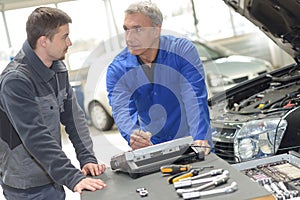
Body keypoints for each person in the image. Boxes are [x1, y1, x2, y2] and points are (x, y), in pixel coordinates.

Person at [0, 7, 106, 200]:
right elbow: (35, 136)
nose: (70, 42)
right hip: (27, 187)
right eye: (64, 37)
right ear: (43, 41)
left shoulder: (58, 69)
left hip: (52, 177)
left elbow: (74, 119)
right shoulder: (15, 81)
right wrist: (73, 177)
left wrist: (87, 158)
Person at [106, 1, 212, 155]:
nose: (129, 38)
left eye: (137, 29)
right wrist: (134, 136)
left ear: (156, 30)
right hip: (153, 146)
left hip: (193, 138)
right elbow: (122, 111)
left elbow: (194, 98)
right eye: (126, 30)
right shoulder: (117, 69)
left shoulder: (181, 51)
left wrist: (200, 137)